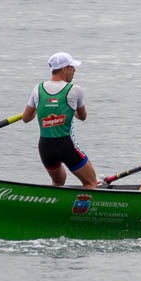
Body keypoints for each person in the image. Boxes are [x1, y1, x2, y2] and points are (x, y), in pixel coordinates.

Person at [21, 52, 97, 188]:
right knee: (91, 182)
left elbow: (26, 118)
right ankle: (82, 208)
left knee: (58, 182)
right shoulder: (75, 90)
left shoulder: (37, 90)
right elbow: (83, 117)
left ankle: (51, 204)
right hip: (65, 146)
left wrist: (39, 109)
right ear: (64, 69)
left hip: (45, 147)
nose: (74, 71)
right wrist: (70, 110)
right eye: (72, 67)